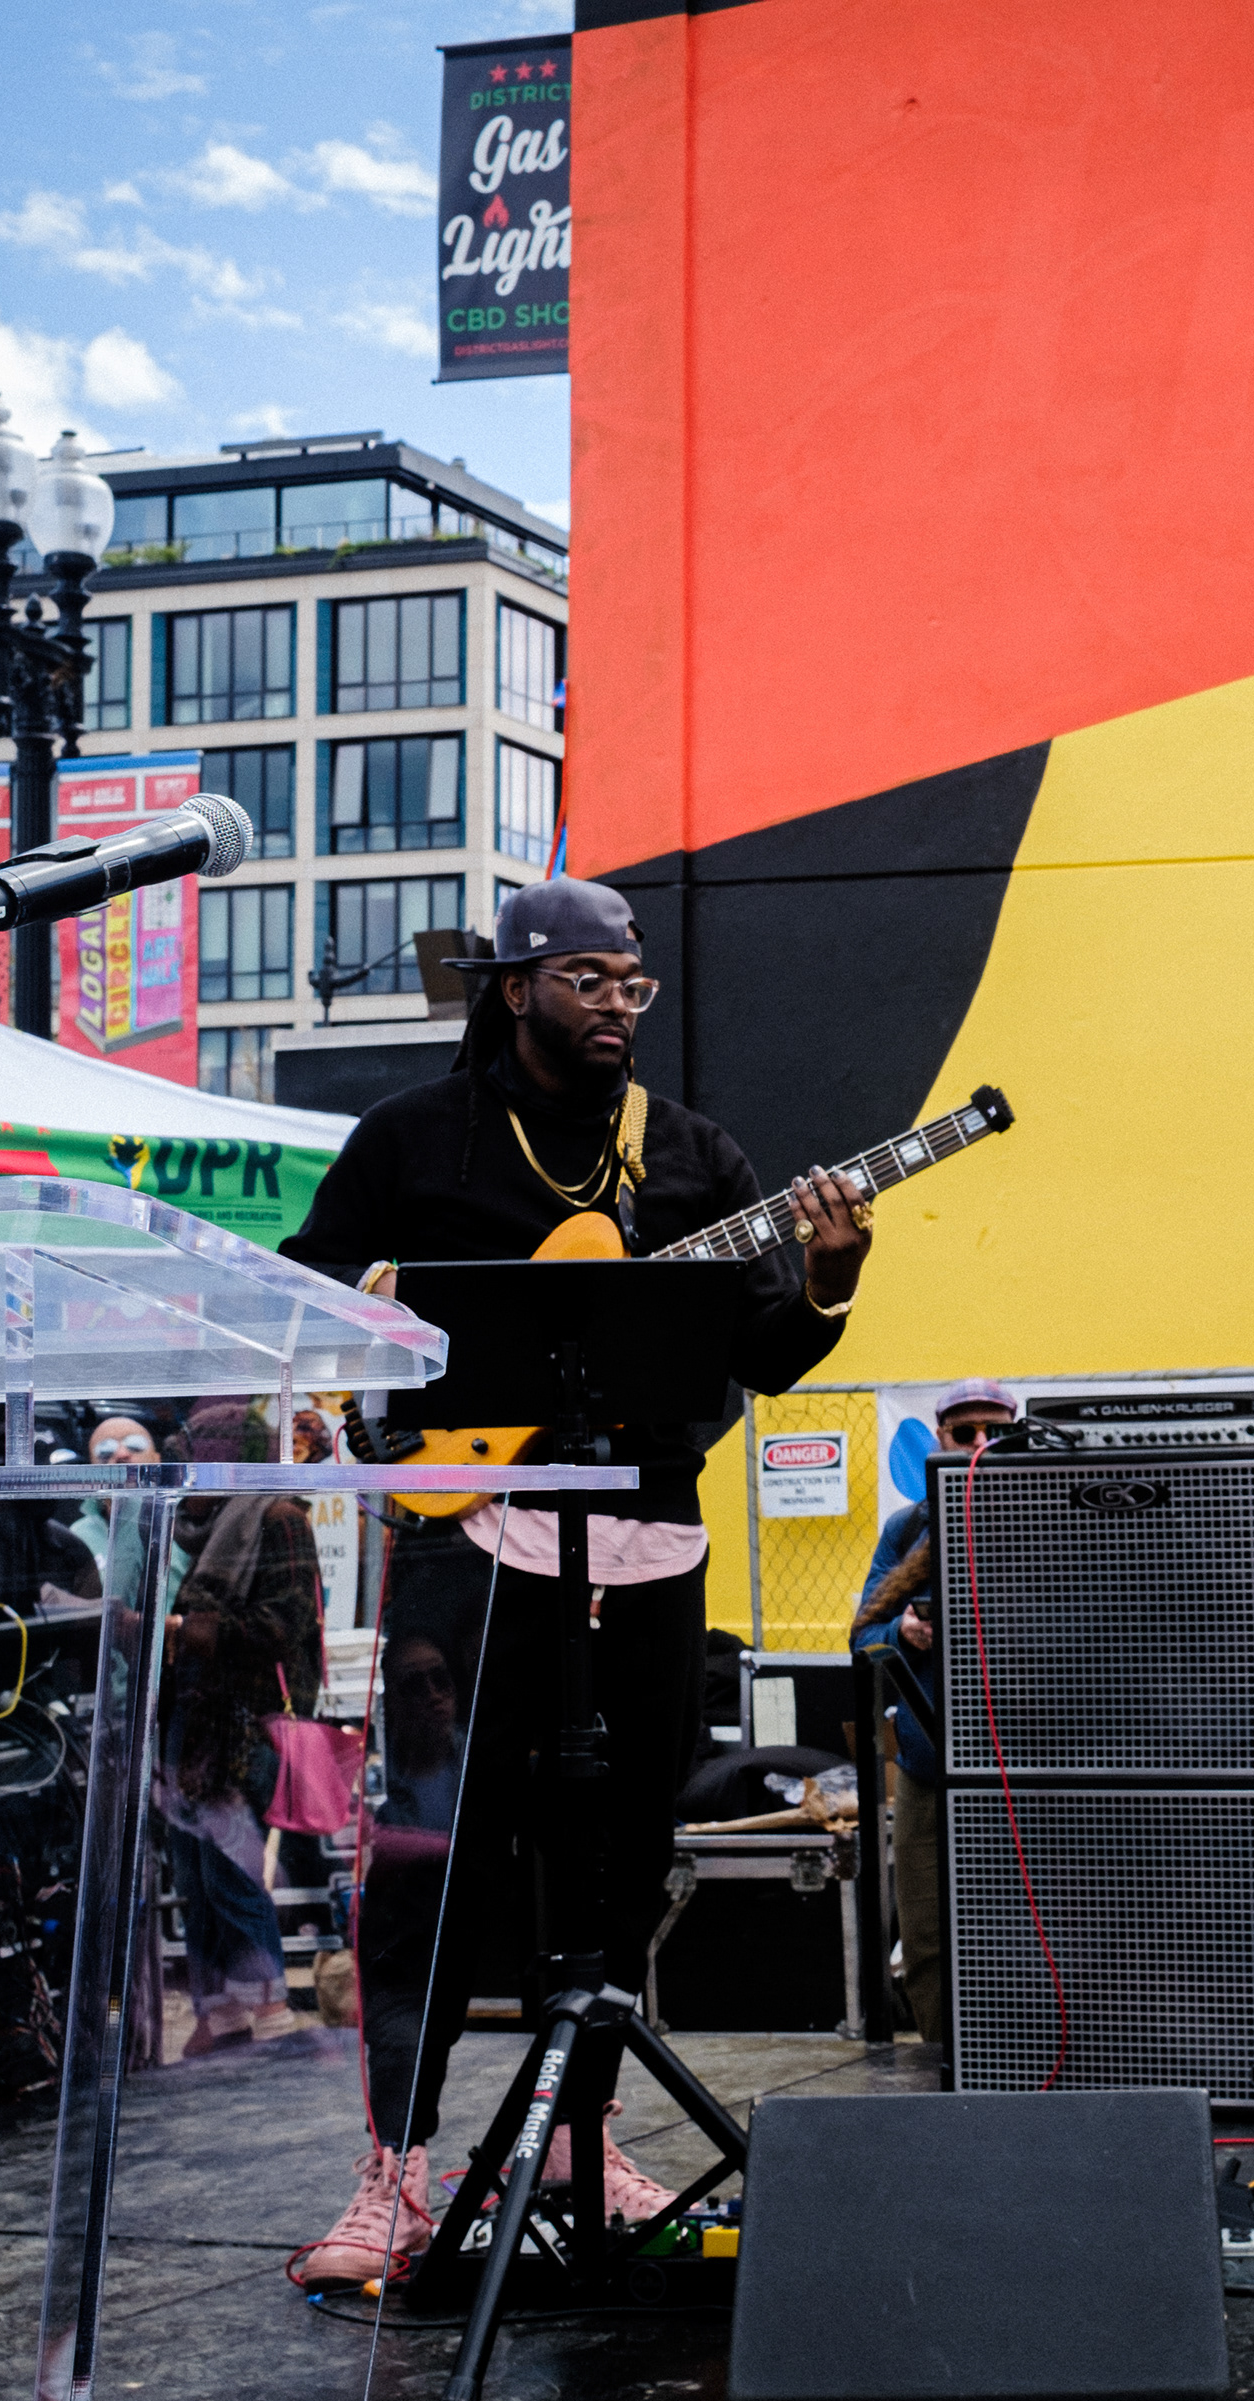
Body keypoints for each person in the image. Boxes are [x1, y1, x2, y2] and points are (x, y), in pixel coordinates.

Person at [279, 877, 871, 2284]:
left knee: (617, 1859)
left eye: (633, 983)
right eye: (590, 979)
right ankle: (395, 2177)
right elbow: (311, 1282)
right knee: (436, 1856)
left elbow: (770, 1355)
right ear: (516, 985)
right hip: (472, 1530)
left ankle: (578, 2136)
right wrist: (390, 1325)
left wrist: (835, 1274)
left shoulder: (691, 1153)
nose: (618, 1004)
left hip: (648, 1535)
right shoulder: (416, 1138)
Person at [150, 1400, 324, 2055]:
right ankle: (221, 2014)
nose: (182, 1479)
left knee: (229, 1872)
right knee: (194, 1874)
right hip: (193, 1725)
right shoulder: (209, 1529)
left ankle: (270, 2010)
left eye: (190, 1460)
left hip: (244, 1726)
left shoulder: (276, 1518)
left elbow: (287, 1626)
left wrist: (187, 1632)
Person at [849, 1380, 1017, 2046]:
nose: (980, 1446)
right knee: (926, 1932)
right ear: (938, 1441)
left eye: (996, 1432)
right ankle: (947, 2064)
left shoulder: (1051, 1514)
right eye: (965, 1432)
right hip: (929, 1763)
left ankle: (1025, 2055)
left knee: (1039, 1920)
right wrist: (903, 1636)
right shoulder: (910, 1528)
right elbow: (862, 1632)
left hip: (1027, 1763)